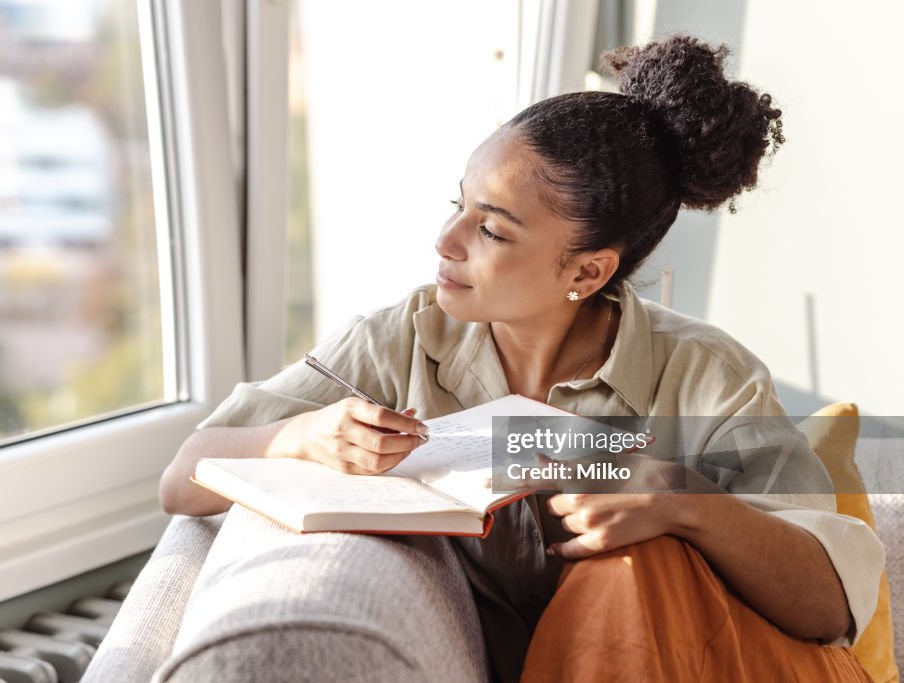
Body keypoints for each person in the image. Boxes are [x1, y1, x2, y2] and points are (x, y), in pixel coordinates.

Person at [158, 35, 883, 682]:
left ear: (587, 272)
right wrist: (297, 438)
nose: (446, 240)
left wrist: (683, 501)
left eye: (492, 229)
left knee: (638, 561)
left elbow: (828, 603)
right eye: (458, 203)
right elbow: (182, 476)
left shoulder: (706, 373)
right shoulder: (402, 341)